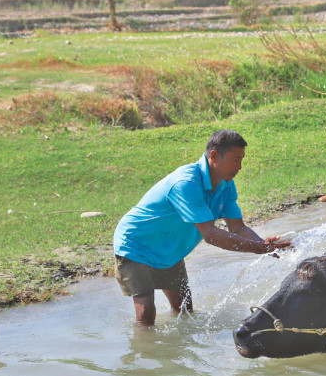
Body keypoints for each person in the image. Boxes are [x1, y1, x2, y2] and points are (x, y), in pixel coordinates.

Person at [113, 129, 291, 326]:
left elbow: (237, 227)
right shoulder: (186, 183)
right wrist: (257, 248)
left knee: (184, 310)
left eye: (242, 159)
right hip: (136, 245)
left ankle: (176, 350)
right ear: (214, 156)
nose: (240, 166)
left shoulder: (226, 184)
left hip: (169, 249)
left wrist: (266, 246)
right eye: (235, 159)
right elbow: (211, 235)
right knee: (146, 315)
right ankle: (144, 353)